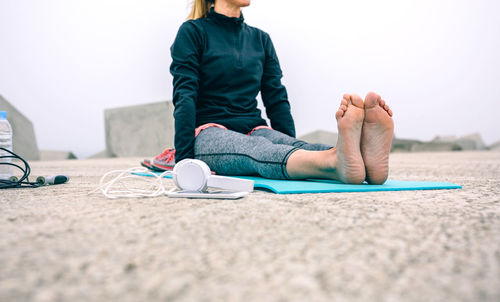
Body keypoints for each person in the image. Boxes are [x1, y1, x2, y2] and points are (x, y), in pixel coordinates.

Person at [167, 0, 394, 185]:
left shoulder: (260, 39)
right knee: (256, 150)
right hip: (208, 133)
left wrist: (289, 142)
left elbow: (276, 98)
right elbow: (185, 96)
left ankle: (362, 160)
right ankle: (338, 162)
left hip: (254, 127)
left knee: (296, 147)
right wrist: (185, 162)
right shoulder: (193, 32)